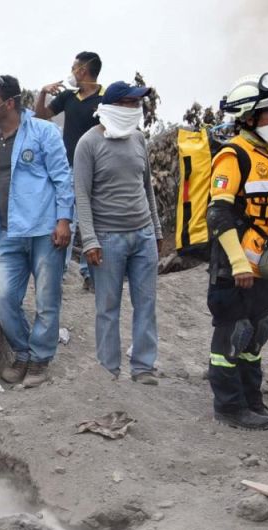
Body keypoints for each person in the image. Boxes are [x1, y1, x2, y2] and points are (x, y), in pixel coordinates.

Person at [0, 75, 74, 389]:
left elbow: (63, 178)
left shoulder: (44, 132)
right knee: (4, 298)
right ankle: (22, 351)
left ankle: (39, 360)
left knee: (47, 300)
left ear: (9, 103)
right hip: (10, 232)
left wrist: (64, 219)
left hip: (46, 230)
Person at [205, 73, 268, 430]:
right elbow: (219, 212)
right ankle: (229, 407)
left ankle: (253, 402)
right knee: (231, 333)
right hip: (237, 264)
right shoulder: (234, 154)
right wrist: (238, 262)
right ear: (249, 117)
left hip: (265, 262)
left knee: (256, 331)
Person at [73, 81, 163, 384]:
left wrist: (157, 230)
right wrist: (90, 240)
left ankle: (143, 367)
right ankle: (108, 369)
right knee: (107, 308)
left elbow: (146, 186)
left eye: (138, 104)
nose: (136, 109)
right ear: (113, 106)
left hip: (143, 234)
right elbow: (81, 195)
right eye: (130, 103)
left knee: (146, 303)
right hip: (108, 238)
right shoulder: (88, 143)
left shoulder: (139, 139)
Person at [36, 51, 104, 291]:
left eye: (74, 66)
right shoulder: (68, 96)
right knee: (67, 218)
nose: (72, 71)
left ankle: (89, 273)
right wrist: (43, 93)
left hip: (97, 167)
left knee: (92, 219)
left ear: (83, 69)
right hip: (69, 165)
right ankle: (60, 270)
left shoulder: (105, 100)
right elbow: (41, 116)